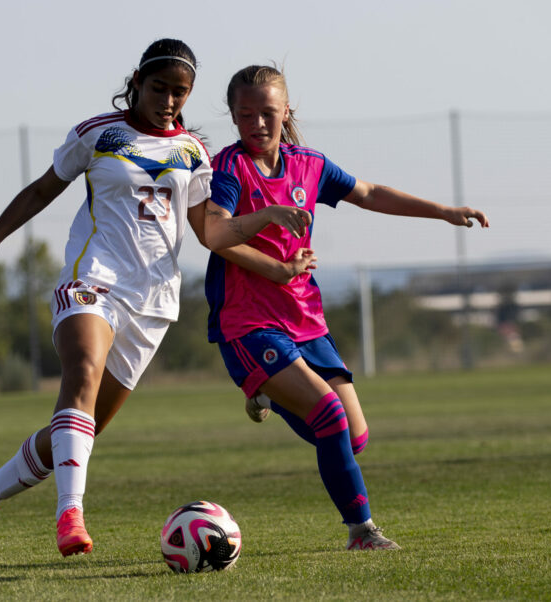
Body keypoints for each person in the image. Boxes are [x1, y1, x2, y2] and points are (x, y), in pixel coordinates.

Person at [192, 65, 489, 551]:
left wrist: (443, 211)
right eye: (246, 115)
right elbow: (217, 235)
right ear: (233, 116)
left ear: (286, 111)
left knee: (353, 437)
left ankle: (266, 394)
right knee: (327, 415)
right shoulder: (228, 169)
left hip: (305, 319)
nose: (258, 124)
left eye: (268, 113)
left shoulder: (309, 164)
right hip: (248, 324)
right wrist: (272, 240)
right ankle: (362, 531)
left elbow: (369, 193)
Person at [0, 38, 213, 561]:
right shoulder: (98, 134)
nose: (169, 100)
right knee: (82, 372)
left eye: (180, 93)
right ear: (136, 82)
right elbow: (43, 190)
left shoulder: (195, 154)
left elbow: (209, 233)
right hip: (92, 279)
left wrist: (272, 255)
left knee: (76, 434)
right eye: (159, 88)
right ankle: (71, 514)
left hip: (154, 303)